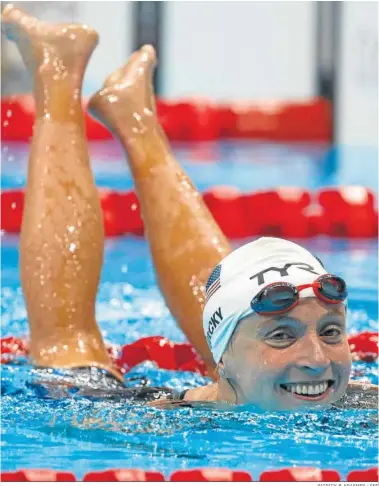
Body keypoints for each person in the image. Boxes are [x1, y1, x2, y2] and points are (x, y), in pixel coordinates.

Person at [1, 5, 377, 411]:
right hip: (117, 393)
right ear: (221, 359)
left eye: (332, 332)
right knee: (66, 346)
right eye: (283, 336)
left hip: (239, 368)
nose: (317, 360)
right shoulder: (151, 420)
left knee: (253, 347)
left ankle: (136, 117)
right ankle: (57, 71)